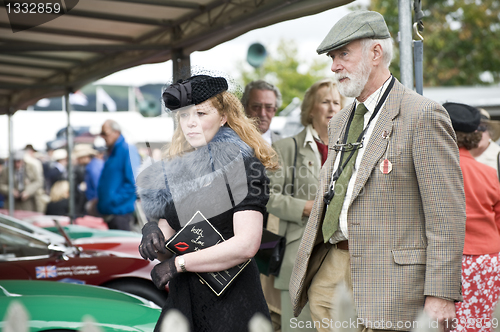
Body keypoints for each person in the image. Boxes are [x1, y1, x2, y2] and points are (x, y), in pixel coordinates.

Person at [289, 10, 466, 332]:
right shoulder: (341, 120)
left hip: (392, 283)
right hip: (330, 267)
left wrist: (441, 293)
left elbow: (446, 214)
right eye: (332, 57)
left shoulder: (423, 115)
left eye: (343, 54)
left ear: (376, 53)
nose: (334, 66)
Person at [136, 74, 278, 332]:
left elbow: (247, 244)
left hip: (232, 305)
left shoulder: (244, 165)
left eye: (200, 113)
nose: (190, 123)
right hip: (184, 303)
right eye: (184, 115)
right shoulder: (177, 171)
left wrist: (179, 264)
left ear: (223, 116)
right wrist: (152, 233)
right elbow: (166, 248)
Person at [267, 78, 343, 332]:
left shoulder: (351, 150)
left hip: (342, 257)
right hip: (298, 255)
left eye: (337, 102)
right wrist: (304, 208)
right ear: (311, 109)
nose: (332, 108)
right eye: (325, 102)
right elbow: (269, 198)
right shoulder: (286, 148)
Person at [442, 102, 500, 332]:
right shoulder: (489, 173)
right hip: (488, 260)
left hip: (451, 261)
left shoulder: (438, 173)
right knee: (480, 323)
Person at [97, 120, 140, 230]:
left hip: (120, 213)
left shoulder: (126, 149)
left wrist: (113, 200)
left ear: (116, 132)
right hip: (113, 212)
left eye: (105, 133)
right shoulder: (113, 151)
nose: (102, 137)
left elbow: (134, 182)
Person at [241, 80, 282, 145]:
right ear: (245, 108)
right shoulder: (231, 142)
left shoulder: (285, 145)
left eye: (269, 107)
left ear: (275, 110)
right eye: (256, 107)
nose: (262, 113)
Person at [73, 144, 104, 215]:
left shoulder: (93, 168)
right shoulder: (93, 165)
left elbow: (99, 188)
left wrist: (94, 204)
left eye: (79, 158)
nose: (77, 160)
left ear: (85, 157)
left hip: (96, 204)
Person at [469, 108, 500, 176]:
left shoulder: (498, 155)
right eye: (472, 128)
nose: (476, 132)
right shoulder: (458, 154)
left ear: (490, 133)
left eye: (481, 128)